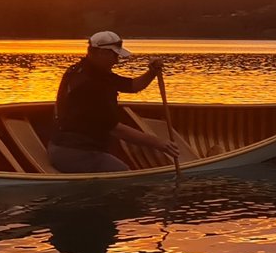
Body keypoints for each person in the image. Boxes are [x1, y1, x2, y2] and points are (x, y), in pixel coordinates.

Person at [47, 30, 180, 173]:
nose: (117, 60)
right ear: (100, 53)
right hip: (74, 151)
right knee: (126, 178)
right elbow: (117, 130)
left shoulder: (90, 72)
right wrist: (160, 144)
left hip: (69, 147)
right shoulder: (91, 84)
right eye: (115, 55)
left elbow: (133, 86)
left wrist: (152, 72)